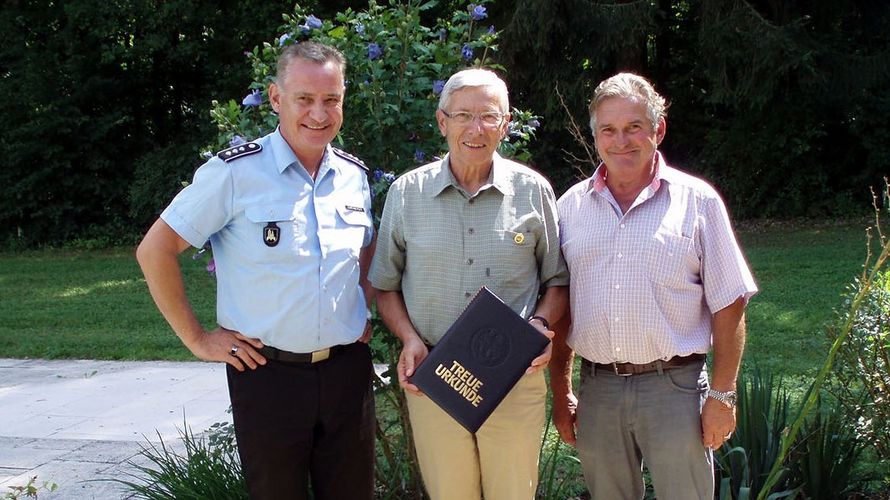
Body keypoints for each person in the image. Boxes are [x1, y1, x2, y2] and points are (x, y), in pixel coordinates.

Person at [136, 42, 376, 500]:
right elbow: (156, 250)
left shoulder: (353, 176)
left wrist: (360, 303)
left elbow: (364, 248)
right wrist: (198, 340)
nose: (319, 114)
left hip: (347, 371)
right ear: (275, 98)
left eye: (331, 100)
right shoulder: (234, 173)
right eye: (304, 99)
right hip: (268, 375)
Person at [550, 72, 758, 499]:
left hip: (674, 389)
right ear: (595, 136)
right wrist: (562, 392)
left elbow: (730, 302)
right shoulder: (570, 208)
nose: (620, 140)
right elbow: (561, 305)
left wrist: (723, 394)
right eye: (608, 129)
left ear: (657, 130)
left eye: (634, 128)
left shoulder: (697, 201)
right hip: (599, 390)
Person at [370, 68, 569, 500]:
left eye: (488, 116)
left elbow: (557, 281)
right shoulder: (407, 193)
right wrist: (407, 338)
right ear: (442, 122)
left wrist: (539, 324)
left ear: (506, 123)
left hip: (513, 376)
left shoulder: (534, 191)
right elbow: (383, 284)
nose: (474, 129)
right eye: (462, 116)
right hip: (436, 375)